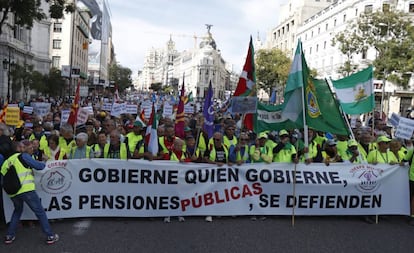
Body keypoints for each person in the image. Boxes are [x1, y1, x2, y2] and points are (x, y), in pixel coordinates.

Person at [0, 140, 59, 244]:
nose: (29, 150)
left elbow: (2, 179)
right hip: (26, 190)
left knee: (17, 211)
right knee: (40, 212)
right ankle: (50, 235)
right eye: (26, 147)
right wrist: (45, 162)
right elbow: (39, 166)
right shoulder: (23, 156)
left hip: (13, 193)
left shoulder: (6, 161)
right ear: (20, 148)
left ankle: (9, 236)